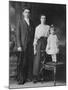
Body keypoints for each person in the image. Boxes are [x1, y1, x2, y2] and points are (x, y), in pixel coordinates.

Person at [16, 7, 34, 84]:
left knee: (29, 61)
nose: (27, 13)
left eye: (28, 12)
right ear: (23, 13)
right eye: (26, 12)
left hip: (30, 45)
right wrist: (19, 45)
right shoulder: (20, 22)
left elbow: (33, 34)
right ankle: (21, 79)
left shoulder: (31, 22)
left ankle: (28, 78)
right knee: (22, 62)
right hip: (23, 45)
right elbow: (17, 34)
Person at [33, 15, 50, 83]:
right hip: (39, 44)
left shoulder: (48, 27)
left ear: (45, 19)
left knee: (45, 59)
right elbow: (35, 38)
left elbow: (49, 37)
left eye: (44, 18)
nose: (43, 19)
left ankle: (43, 76)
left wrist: (49, 46)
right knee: (37, 60)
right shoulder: (37, 27)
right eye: (42, 18)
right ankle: (36, 77)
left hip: (46, 43)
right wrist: (34, 48)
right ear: (40, 19)